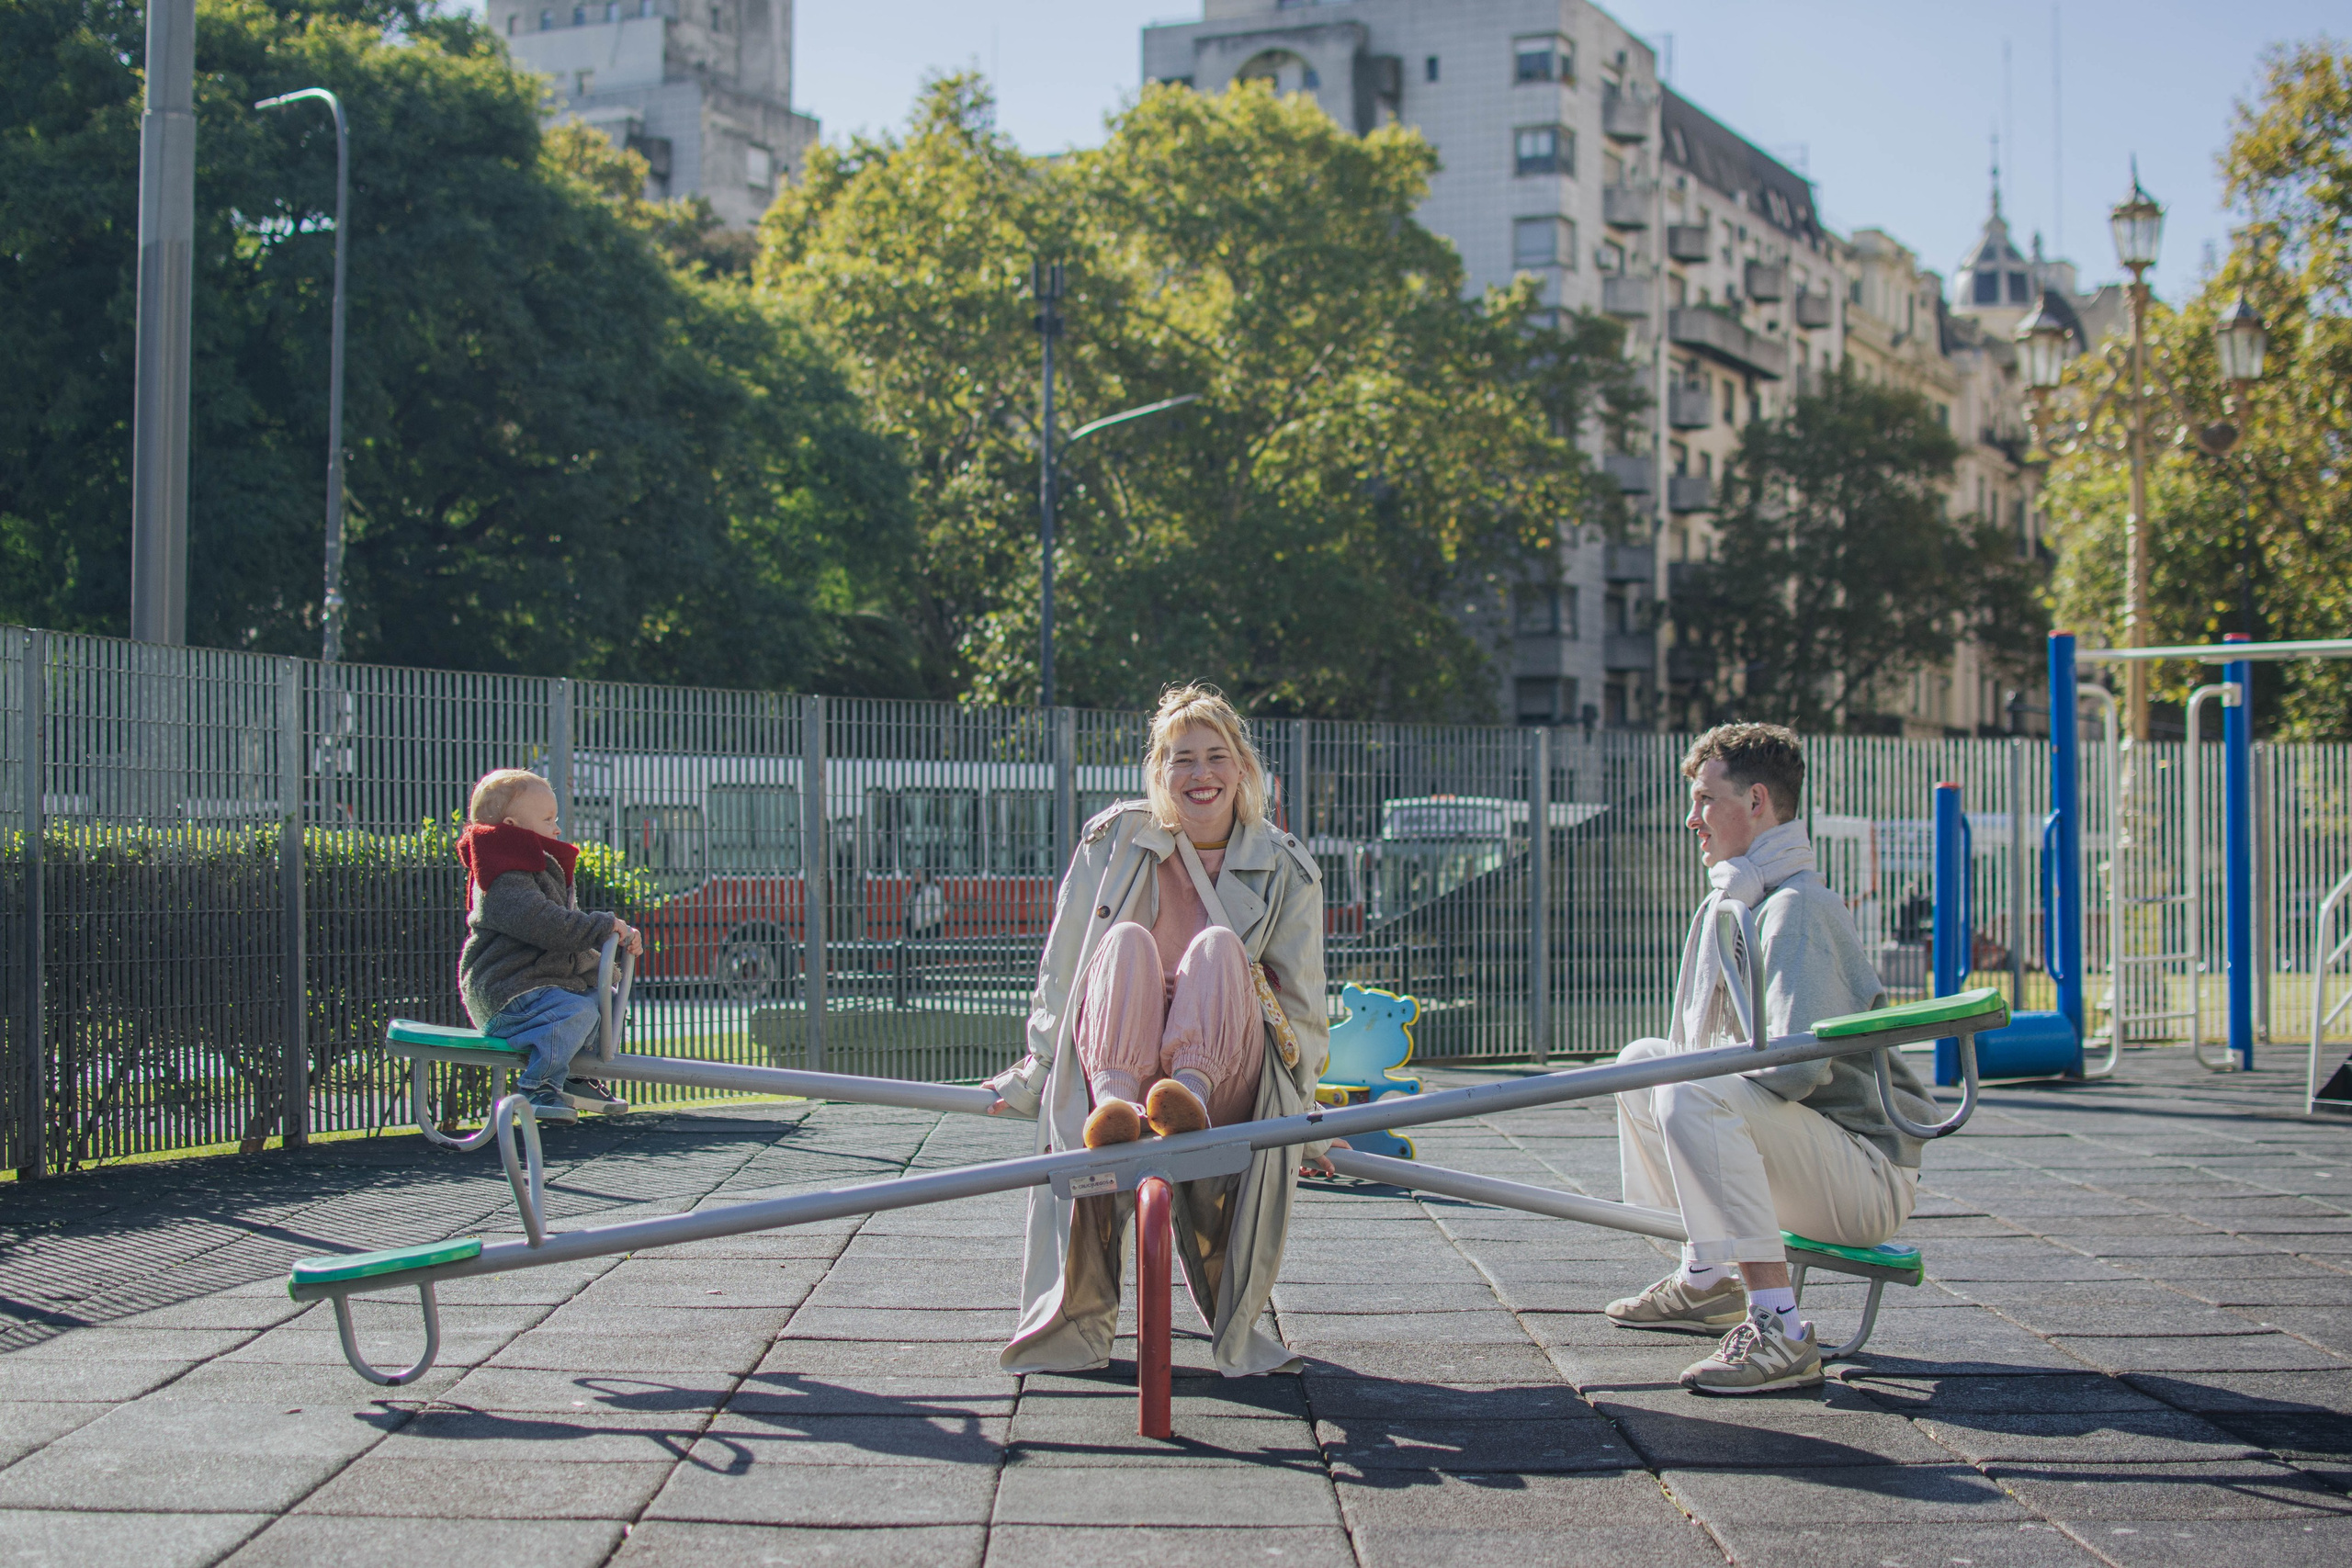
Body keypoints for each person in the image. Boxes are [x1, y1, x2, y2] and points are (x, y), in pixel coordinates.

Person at [986, 684, 1338, 1376]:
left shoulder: (1285, 867)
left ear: (1243, 768)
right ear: (1160, 771)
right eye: (1183, 759)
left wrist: (1306, 1122)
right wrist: (1036, 1068)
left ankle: (1187, 1097)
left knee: (1219, 949)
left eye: (1216, 756)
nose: (1201, 774)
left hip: (1221, 1077)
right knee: (1121, 942)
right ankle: (1116, 1107)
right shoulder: (1116, 841)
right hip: (1120, 1059)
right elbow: (1064, 965)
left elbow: (1302, 1007)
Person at [1607, 724, 1940, 1393]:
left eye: (1706, 800)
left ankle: (1779, 1327)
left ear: (1756, 801)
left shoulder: (1797, 909)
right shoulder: (1743, 901)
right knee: (1645, 1062)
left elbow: (1794, 1070)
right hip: (1816, 1157)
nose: (1692, 819)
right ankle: (1708, 1276)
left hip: (1866, 1176)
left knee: (1688, 1087)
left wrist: (1702, 1080)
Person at [458, 769, 645, 1123]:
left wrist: (607, 958)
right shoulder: (502, 876)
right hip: (507, 993)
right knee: (577, 1011)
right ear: (512, 826)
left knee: (606, 1000)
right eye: (547, 820)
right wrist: (603, 926)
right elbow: (548, 926)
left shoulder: (536, 868)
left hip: (536, 989)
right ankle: (538, 1086)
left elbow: (564, 942)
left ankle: (574, 1075)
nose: (557, 829)